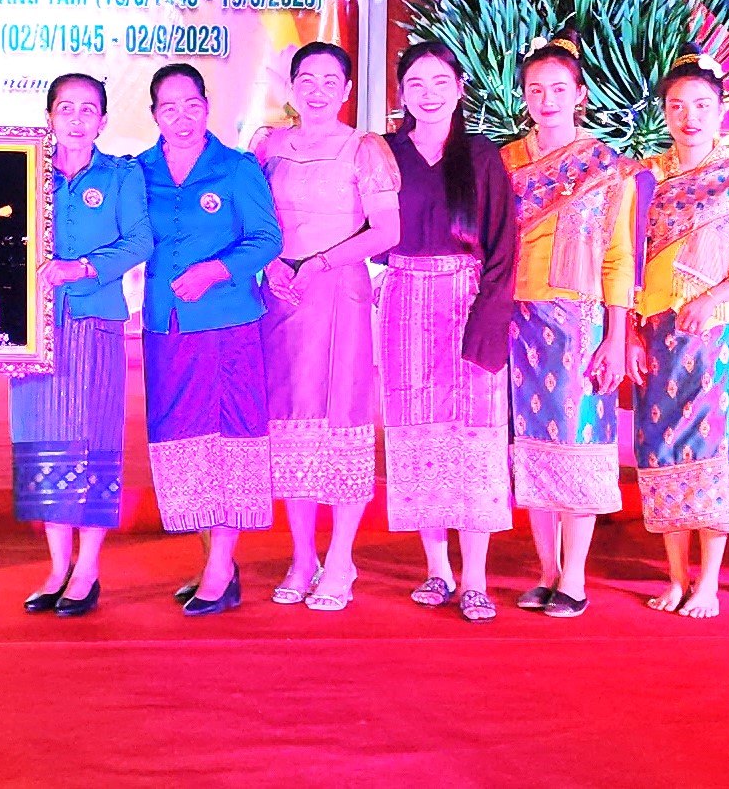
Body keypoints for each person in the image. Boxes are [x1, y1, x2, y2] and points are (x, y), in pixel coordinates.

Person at [630, 49, 729, 620]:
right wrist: (631, 328)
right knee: (661, 449)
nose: (689, 117)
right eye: (677, 106)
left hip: (714, 337)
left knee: (714, 452)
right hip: (654, 333)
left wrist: (714, 299)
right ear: (664, 112)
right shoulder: (643, 179)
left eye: (701, 106)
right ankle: (675, 576)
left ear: (721, 112)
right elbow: (626, 260)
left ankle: (709, 582)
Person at [250, 42, 398, 613]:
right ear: (291, 87)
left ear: (347, 90)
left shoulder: (365, 148)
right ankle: (301, 555)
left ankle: (340, 559)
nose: (317, 91)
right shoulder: (267, 146)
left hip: (337, 291)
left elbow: (386, 231)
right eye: (306, 79)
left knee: (340, 417)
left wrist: (317, 264)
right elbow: (252, 221)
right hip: (280, 294)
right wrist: (271, 264)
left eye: (330, 81)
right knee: (290, 419)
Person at [378, 40, 516, 624]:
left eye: (440, 82)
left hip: (468, 303)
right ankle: (438, 570)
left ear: (460, 89)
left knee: (473, 438)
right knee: (419, 435)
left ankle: (476, 578)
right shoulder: (384, 154)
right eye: (416, 83)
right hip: (404, 302)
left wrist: (489, 321)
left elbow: (504, 249)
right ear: (401, 94)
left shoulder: (481, 157)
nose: (428, 94)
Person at [139, 62, 281, 616]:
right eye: (169, 108)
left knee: (228, 437)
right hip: (165, 327)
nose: (182, 118)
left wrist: (215, 271)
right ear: (155, 114)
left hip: (228, 326)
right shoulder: (138, 172)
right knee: (184, 441)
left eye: (192, 106)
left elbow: (267, 239)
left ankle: (222, 566)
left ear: (207, 107)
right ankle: (211, 560)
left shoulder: (236, 168)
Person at [503, 30, 634, 618]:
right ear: (523, 96)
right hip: (519, 318)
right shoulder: (507, 161)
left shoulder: (606, 166)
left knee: (579, 441)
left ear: (580, 94)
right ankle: (546, 571)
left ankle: (575, 576)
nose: (547, 100)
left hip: (582, 319)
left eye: (559, 89)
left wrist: (616, 335)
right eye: (536, 90)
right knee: (532, 444)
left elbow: (619, 257)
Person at [10, 72, 149, 618]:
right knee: (43, 441)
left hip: (94, 322)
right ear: (48, 118)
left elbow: (139, 241)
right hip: (35, 331)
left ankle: (87, 569)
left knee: (92, 443)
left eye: (87, 109)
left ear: (103, 120)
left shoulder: (121, 175)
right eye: (65, 108)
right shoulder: (26, 173)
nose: (75, 118)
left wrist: (83, 267)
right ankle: (55, 567)